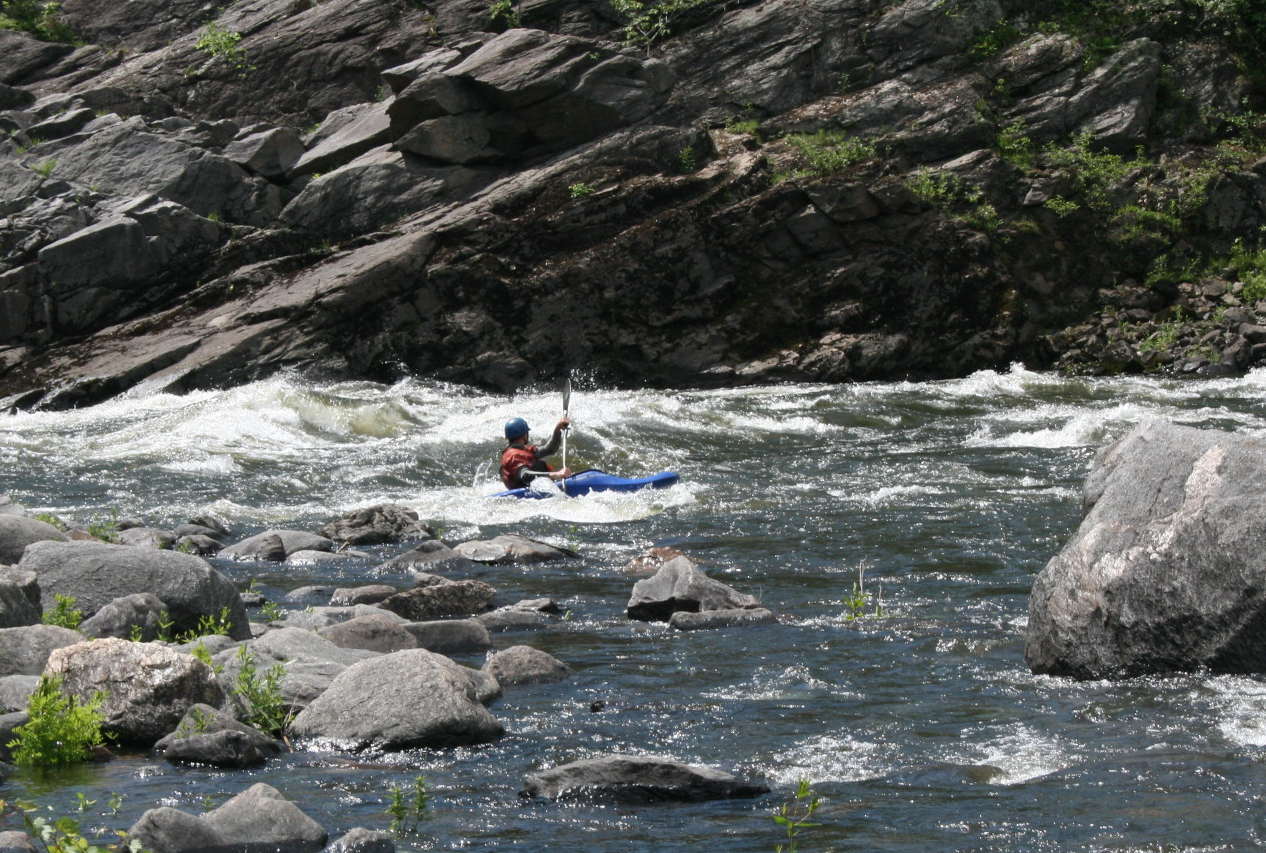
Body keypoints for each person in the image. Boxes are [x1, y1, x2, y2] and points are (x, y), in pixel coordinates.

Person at [500, 416, 572, 489]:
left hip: (535, 489)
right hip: (526, 494)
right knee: (538, 465)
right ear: (524, 435)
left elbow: (550, 449)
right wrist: (555, 474)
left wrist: (557, 429)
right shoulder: (513, 455)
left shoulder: (523, 450)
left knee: (539, 465)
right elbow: (525, 475)